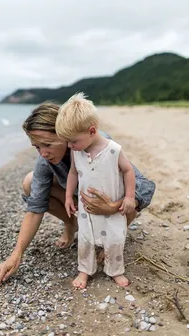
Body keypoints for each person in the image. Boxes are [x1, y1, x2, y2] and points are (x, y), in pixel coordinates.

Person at [0, 101, 156, 289]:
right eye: (37, 147)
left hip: (112, 205)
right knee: (30, 182)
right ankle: (71, 224)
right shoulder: (46, 160)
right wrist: (16, 255)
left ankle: (111, 240)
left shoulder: (98, 144)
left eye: (47, 144)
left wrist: (112, 206)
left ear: (65, 133)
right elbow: (35, 208)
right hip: (81, 203)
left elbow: (145, 186)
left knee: (132, 202)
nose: (43, 153)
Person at [56, 93, 135, 288]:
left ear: (91, 131)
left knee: (115, 240)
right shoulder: (77, 151)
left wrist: (129, 197)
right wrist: (68, 196)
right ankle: (85, 270)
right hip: (86, 209)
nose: (69, 146)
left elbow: (128, 170)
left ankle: (115, 270)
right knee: (85, 240)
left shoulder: (113, 150)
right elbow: (73, 173)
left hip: (112, 206)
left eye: (72, 141)